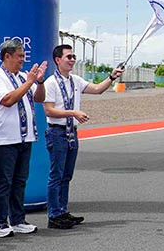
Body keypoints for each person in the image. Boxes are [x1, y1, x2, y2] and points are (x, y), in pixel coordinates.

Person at [37, 44, 123, 229]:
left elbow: (98, 89)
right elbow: (49, 110)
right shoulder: (51, 83)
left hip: (71, 133)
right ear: (58, 60)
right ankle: (54, 214)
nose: (73, 60)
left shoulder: (75, 80)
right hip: (57, 132)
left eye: (74, 56)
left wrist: (111, 77)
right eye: (69, 56)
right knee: (56, 175)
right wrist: (73, 113)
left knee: (67, 175)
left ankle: (63, 211)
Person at [0, 39, 47, 238]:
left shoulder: (22, 77)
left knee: (20, 181)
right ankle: (0, 223)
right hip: (3, 139)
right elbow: (8, 100)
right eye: (19, 56)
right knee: (3, 182)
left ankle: (18, 219)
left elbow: (38, 98)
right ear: (7, 56)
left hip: (24, 138)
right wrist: (29, 81)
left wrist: (39, 82)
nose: (23, 59)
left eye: (23, 55)